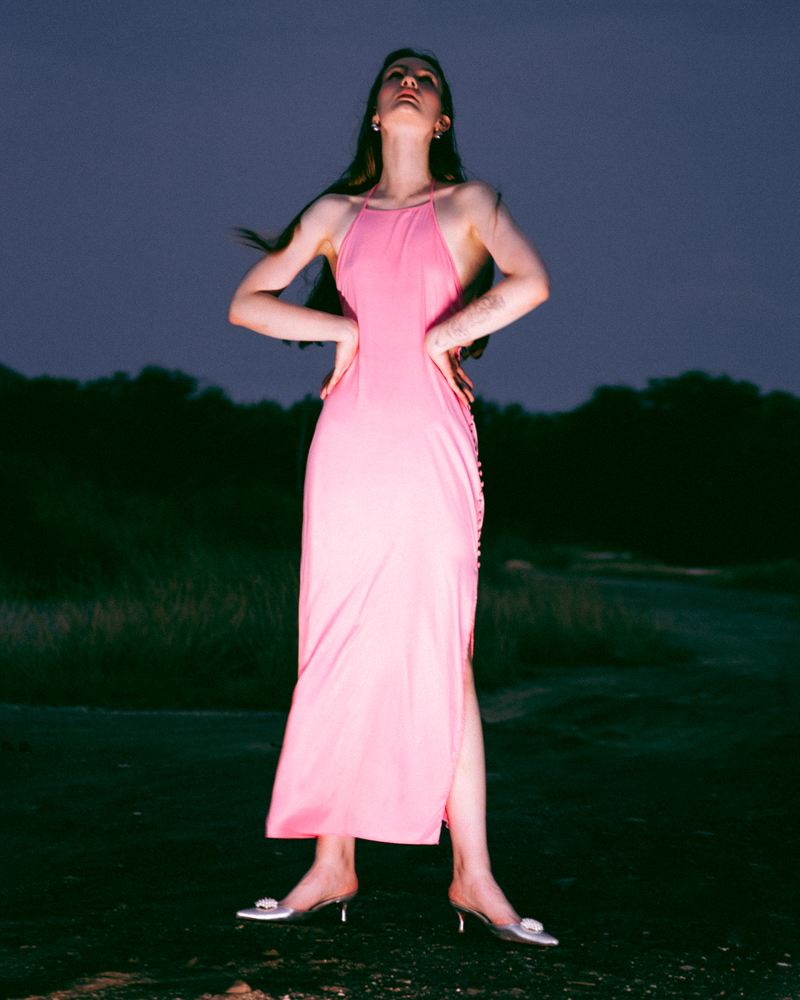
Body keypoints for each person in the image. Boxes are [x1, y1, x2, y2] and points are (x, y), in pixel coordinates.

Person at [229, 49, 555, 946]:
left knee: (443, 648)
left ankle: (473, 875)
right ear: (376, 111)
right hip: (348, 445)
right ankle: (331, 863)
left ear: (442, 118)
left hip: (432, 444)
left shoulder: (472, 203)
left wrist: (448, 334)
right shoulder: (336, 213)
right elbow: (249, 302)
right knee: (330, 641)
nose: (409, 83)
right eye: (394, 76)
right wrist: (338, 329)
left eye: (427, 79)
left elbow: (531, 282)